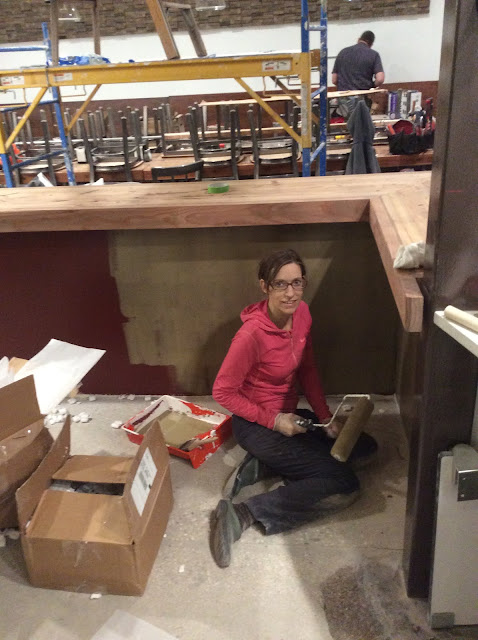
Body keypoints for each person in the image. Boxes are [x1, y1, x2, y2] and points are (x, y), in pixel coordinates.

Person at [210, 249, 377, 568]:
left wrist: (325, 416)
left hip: (289, 418)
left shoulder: (302, 314)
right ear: (264, 286)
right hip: (257, 424)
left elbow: (308, 369)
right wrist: (274, 421)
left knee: (365, 449)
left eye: (297, 283)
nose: (290, 293)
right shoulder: (251, 336)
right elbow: (223, 392)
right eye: (280, 284)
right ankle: (244, 513)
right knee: (343, 484)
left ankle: (269, 465)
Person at [331, 30, 385, 120]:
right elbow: (380, 79)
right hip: (363, 97)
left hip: (344, 97)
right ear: (371, 44)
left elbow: (334, 80)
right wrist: (372, 85)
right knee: (361, 124)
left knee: (347, 123)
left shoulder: (343, 52)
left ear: (359, 39)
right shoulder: (373, 54)